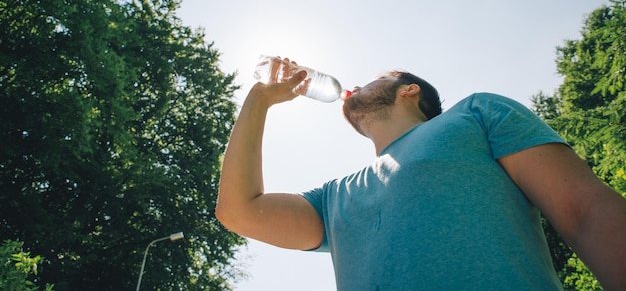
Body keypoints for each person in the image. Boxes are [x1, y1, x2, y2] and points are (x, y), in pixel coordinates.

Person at [215, 62, 626, 290]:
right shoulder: (334, 198)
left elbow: (583, 210)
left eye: (378, 76)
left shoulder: (475, 113)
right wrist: (259, 99)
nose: (358, 82)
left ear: (408, 90)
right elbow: (239, 211)